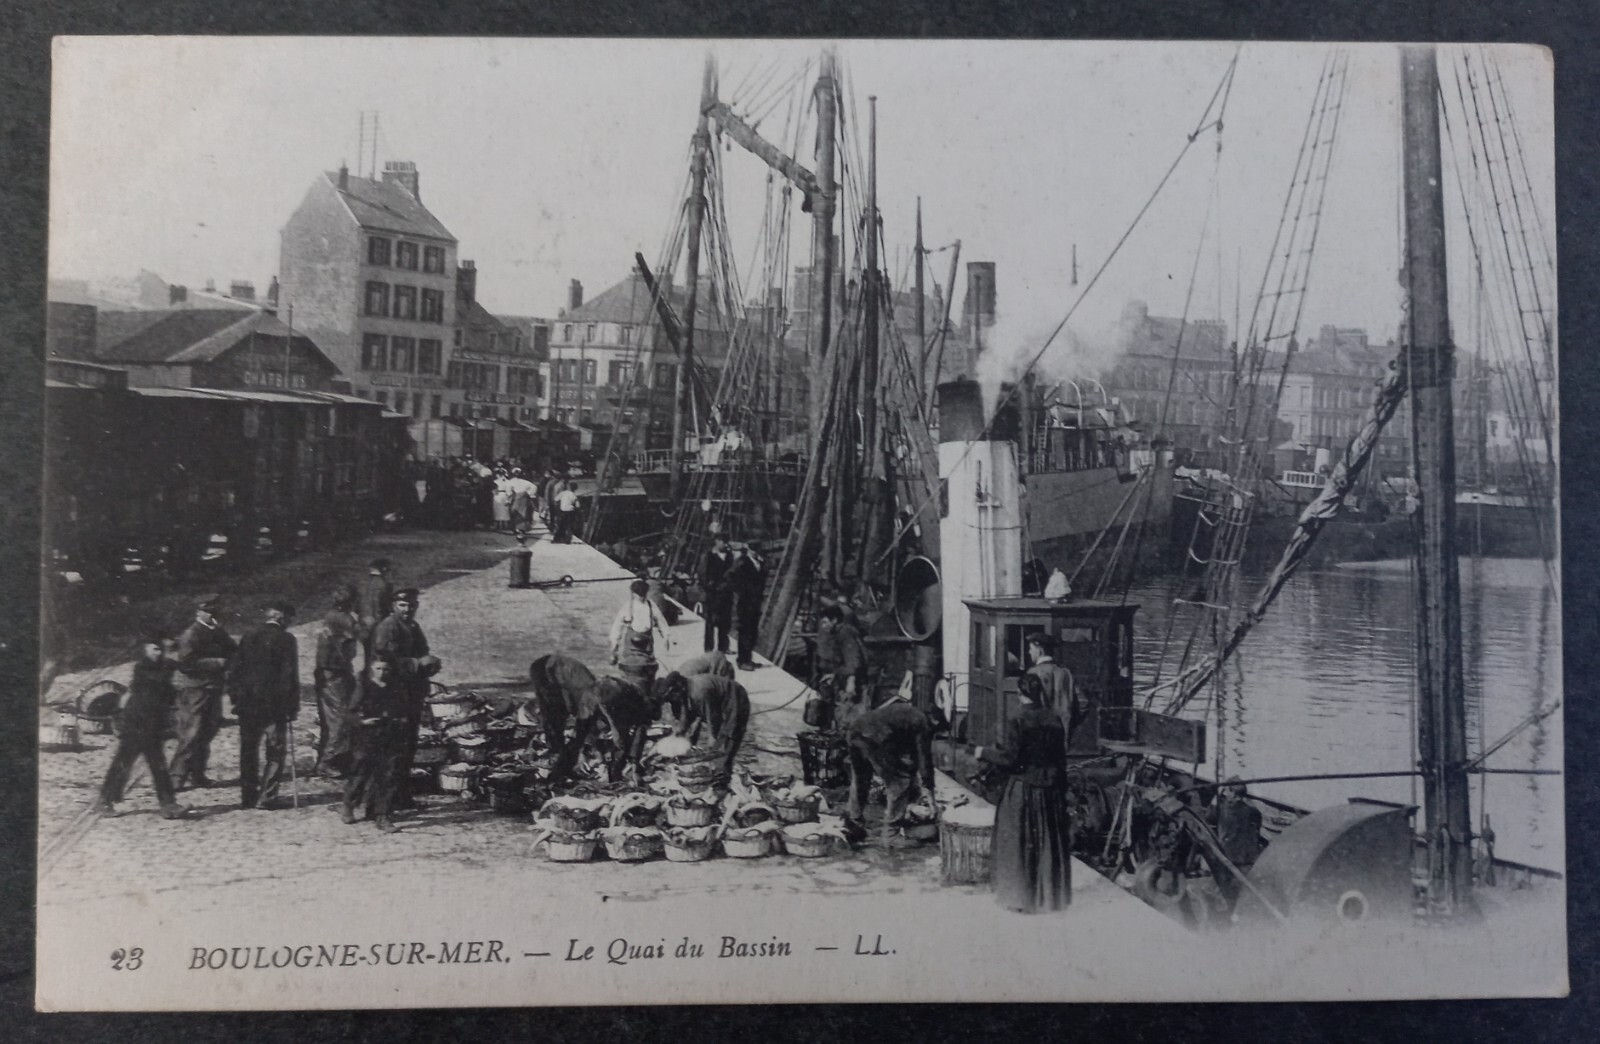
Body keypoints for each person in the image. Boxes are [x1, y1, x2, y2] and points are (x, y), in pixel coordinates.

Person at [975, 672, 1072, 913]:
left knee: (1018, 840)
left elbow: (1009, 759)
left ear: (1020, 695)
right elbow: (1061, 760)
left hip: (1024, 788)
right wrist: (1062, 789)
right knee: (1048, 842)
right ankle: (1050, 896)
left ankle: (1019, 897)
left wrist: (982, 752)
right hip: (1050, 789)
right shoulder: (1055, 719)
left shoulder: (1017, 720)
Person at [98, 636, 192, 820]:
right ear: (146, 649)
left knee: (158, 766)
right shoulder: (142, 667)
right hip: (135, 724)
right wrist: (171, 669)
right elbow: (156, 683)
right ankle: (105, 801)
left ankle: (169, 805)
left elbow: (169, 690)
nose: (159, 653)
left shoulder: (163, 666)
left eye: (161, 650)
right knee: (123, 764)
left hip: (152, 725)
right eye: (155, 649)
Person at [528, 654, 652, 784]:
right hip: (548, 671)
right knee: (558, 720)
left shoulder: (630, 708)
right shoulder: (599, 698)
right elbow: (613, 731)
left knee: (582, 731)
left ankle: (563, 767)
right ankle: (557, 764)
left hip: (583, 687)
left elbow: (621, 733)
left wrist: (632, 761)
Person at [369, 587, 442, 809]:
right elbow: (385, 659)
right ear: (394, 606)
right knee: (394, 748)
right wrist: (417, 664)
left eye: (411, 605)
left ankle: (402, 795)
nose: (407, 609)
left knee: (409, 745)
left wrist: (429, 662)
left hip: (412, 693)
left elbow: (423, 649)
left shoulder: (413, 626)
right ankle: (385, 801)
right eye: (402, 605)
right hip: (394, 695)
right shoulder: (388, 627)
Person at [228, 602, 301, 810]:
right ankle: (267, 798)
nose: (289, 623)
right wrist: (292, 706)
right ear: (280, 617)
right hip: (274, 708)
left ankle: (248, 797)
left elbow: (234, 671)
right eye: (288, 618)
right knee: (275, 752)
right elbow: (289, 676)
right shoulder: (287, 640)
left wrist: (236, 699)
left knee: (248, 751)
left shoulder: (248, 635)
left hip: (248, 706)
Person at [843, 690, 940, 844]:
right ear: (935, 721)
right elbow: (924, 759)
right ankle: (891, 833)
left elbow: (912, 756)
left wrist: (917, 778)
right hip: (874, 738)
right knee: (900, 781)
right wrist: (930, 792)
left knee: (861, 778)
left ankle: (854, 821)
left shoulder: (907, 713)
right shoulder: (923, 724)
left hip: (855, 731)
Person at [168, 593, 236, 790]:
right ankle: (176, 777)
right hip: (194, 690)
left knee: (208, 731)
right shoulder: (191, 634)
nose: (212, 616)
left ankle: (198, 774)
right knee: (191, 733)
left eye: (214, 612)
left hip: (213, 688)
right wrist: (217, 663)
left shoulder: (217, 631)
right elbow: (186, 664)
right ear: (199, 612)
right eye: (208, 612)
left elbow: (232, 649)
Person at [342, 656, 403, 833]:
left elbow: (401, 709)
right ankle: (349, 804)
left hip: (389, 735)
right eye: (378, 669)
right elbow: (350, 713)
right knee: (361, 771)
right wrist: (363, 722)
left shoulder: (395, 688)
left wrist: (399, 719)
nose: (382, 673)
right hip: (367, 736)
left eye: (386, 669)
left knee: (388, 774)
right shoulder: (364, 687)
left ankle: (382, 815)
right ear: (371, 670)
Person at [655, 670, 750, 781]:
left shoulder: (699, 692)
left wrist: (712, 737)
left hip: (735, 696)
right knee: (718, 741)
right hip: (718, 700)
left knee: (731, 732)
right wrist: (679, 731)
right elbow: (686, 714)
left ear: (677, 689)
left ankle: (724, 771)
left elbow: (713, 718)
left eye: (671, 696)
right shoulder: (684, 690)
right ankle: (720, 766)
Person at [313, 585, 362, 778]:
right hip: (335, 673)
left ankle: (330, 759)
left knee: (330, 719)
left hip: (329, 672)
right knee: (341, 718)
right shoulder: (345, 619)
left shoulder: (330, 615)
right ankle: (328, 762)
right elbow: (364, 634)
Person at [609, 578, 670, 700]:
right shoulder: (628, 608)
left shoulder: (651, 606)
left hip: (647, 648)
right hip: (631, 649)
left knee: (648, 671)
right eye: (639, 595)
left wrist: (666, 637)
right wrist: (614, 646)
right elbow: (617, 628)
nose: (641, 597)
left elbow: (662, 623)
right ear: (634, 594)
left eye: (643, 594)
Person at [1024, 633, 1083, 753]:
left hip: (1039, 738)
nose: (1029, 652)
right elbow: (1083, 703)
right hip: (1062, 737)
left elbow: (1027, 709)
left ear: (1039, 650)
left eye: (1031, 649)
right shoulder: (1066, 674)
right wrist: (1069, 723)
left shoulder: (1031, 674)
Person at [813, 604, 867, 728]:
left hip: (852, 683)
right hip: (843, 679)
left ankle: (846, 741)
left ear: (835, 620)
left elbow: (853, 659)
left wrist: (851, 681)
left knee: (847, 716)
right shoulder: (839, 633)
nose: (823, 626)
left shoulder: (845, 633)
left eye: (826, 622)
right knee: (840, 713)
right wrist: (834, 675)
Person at [726, 542, 765, 670]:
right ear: (748, 549)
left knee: (753, 631)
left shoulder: (760, 561)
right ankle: (742, 661)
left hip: (756, 602)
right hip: (745, 602)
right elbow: (729, 577)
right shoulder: (741, 561)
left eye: (757, 549)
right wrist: (741, 591)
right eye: (753, 549)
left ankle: (748, 659)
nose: (755, 551)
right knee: (744, 631)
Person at [700, 537, 734, 654]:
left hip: (726, 594)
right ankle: (709, 648)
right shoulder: (708, 556)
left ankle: (723, 647)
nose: (725, 544)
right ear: (717, 541)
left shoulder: (729, 556)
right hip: (712, 595)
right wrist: (711, 587)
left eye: (726, 542)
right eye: (723, 541)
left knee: (725, 622)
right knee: (710, 622)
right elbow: (703, 576)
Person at [359, 558, 395, 656]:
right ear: (384, 569)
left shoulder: (364, 583)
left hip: (364, 621)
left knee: (368, 649)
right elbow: (383, 604)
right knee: (380, 650)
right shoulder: (383, 584)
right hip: (378, 621)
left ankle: (367, 669)